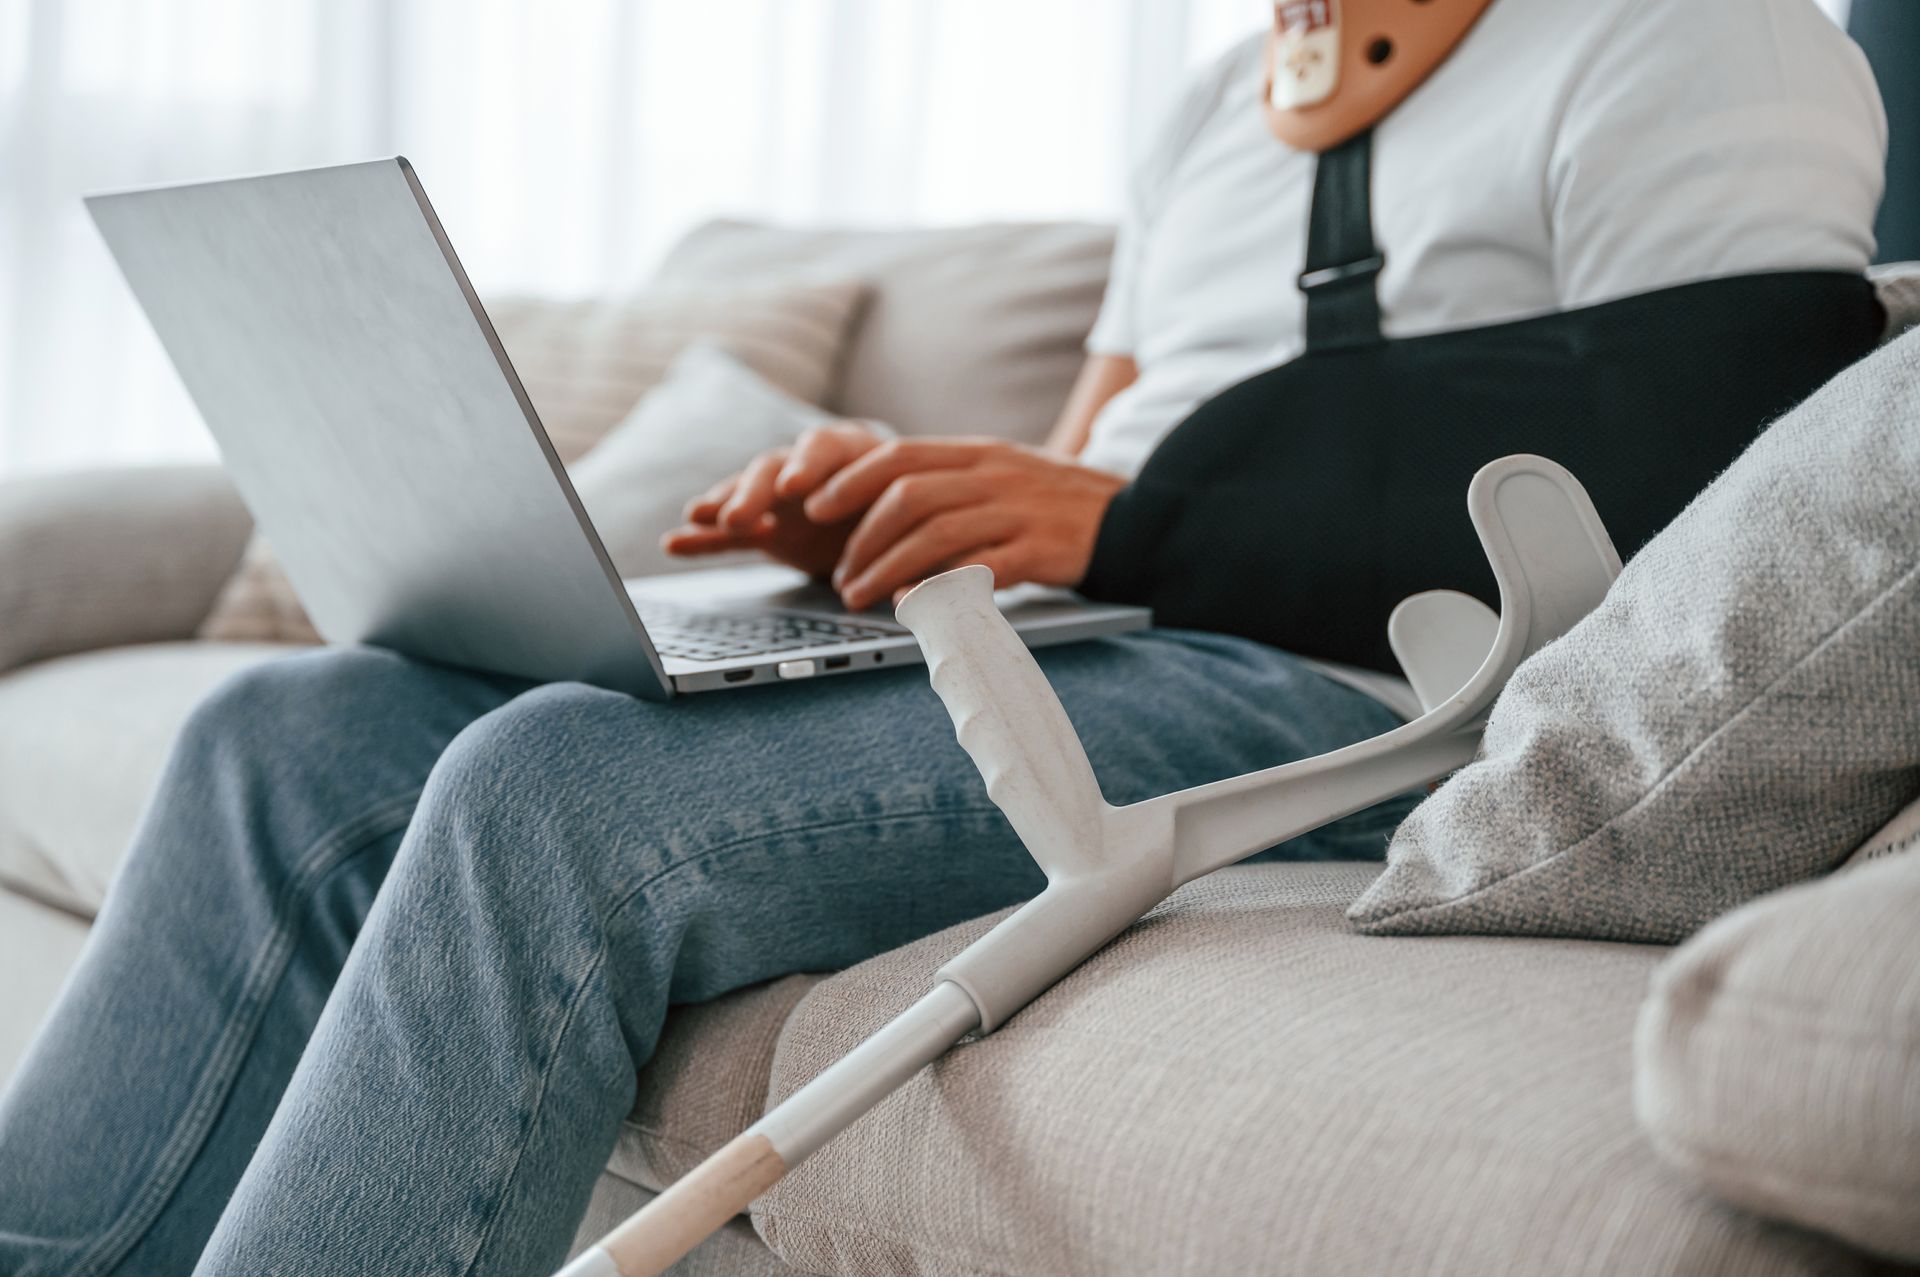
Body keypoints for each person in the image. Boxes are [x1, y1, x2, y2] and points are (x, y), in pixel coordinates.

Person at [0, 2, 1885, 1274]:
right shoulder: (1215, 102)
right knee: (284, 733)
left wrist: (1147, 526)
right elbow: (1095, 453)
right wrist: (924, 516)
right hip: (1117, 624)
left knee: (553, 793)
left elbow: (1724, 446)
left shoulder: (1692, 39)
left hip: (1363, 692)